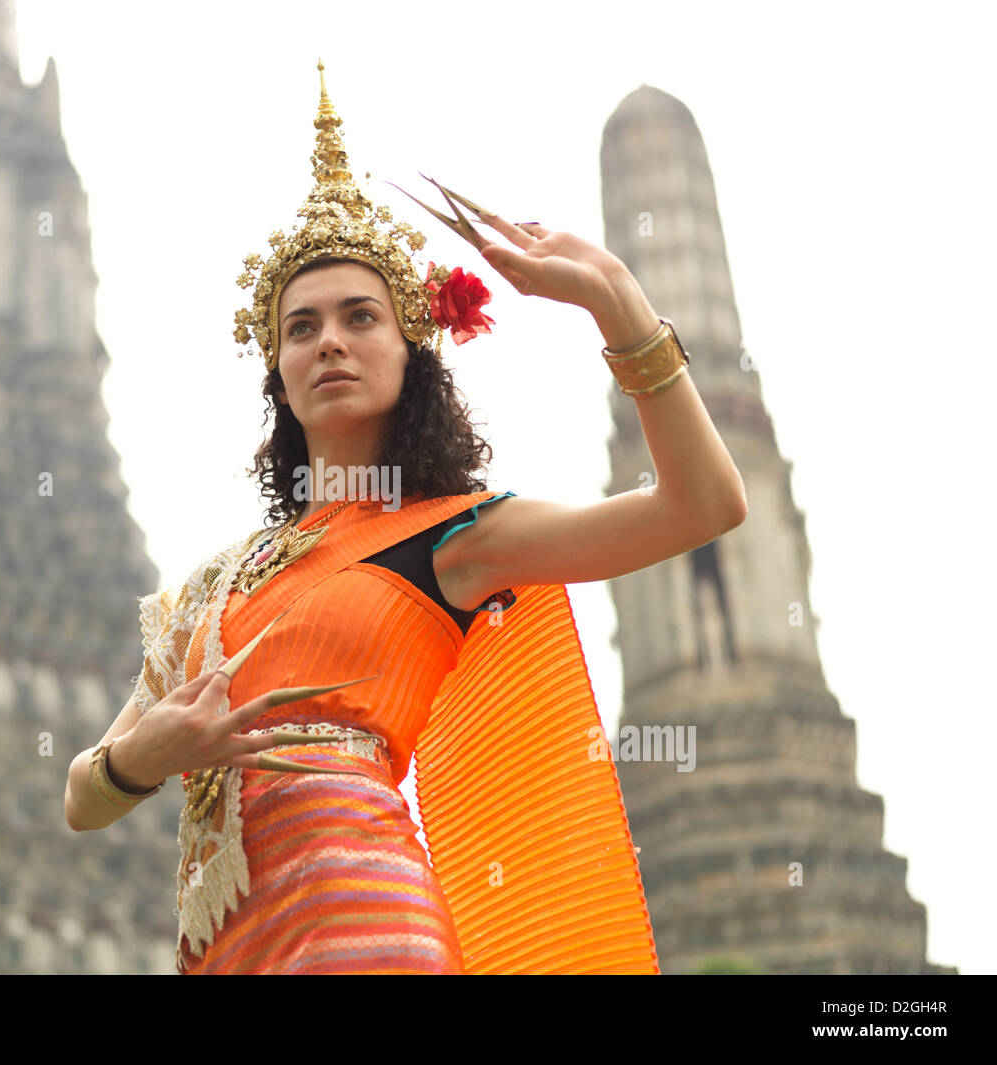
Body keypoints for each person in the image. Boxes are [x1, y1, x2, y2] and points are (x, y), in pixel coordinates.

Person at [64, 62, 747, 974]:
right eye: (301, 328)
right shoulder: (213, 587)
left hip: (364, 919)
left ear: (408, 351)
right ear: (279, 368)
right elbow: (82, 794)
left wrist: (613, 297)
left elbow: (701, 505)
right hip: (227, 945)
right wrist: (147, 755)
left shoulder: (459, 536)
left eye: (360, 317)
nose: (330, 341)